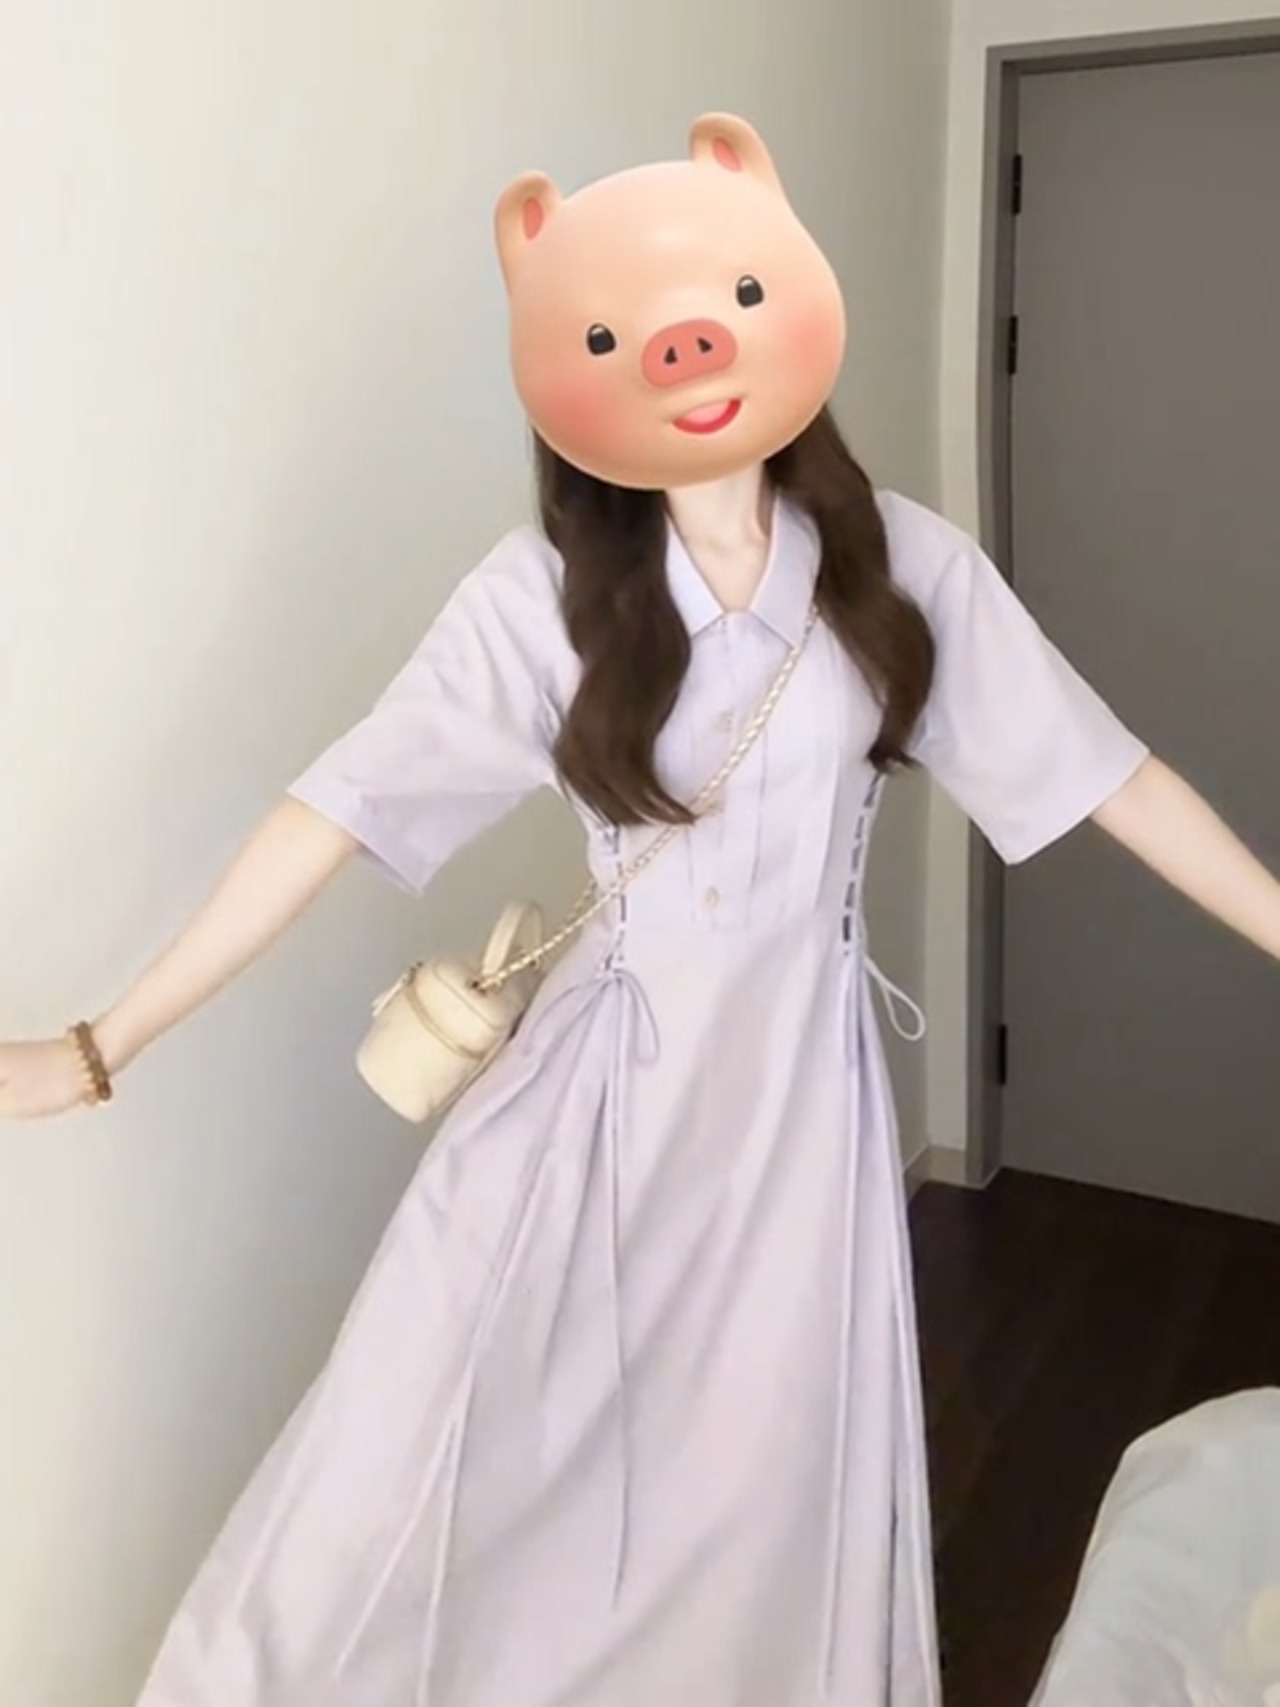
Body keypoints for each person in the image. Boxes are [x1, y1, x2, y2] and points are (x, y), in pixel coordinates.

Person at [3, 113, 1279, 1707]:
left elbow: (1108, 775)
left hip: (797, 1117)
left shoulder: (902, 569)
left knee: (756, 1498)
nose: (686, 352)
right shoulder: (540, 594)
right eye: (615, 334)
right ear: (567, 368)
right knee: (427, 1457)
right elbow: (339, 805)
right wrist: (101, 1042)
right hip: (594, 1103)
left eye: (724, 299)